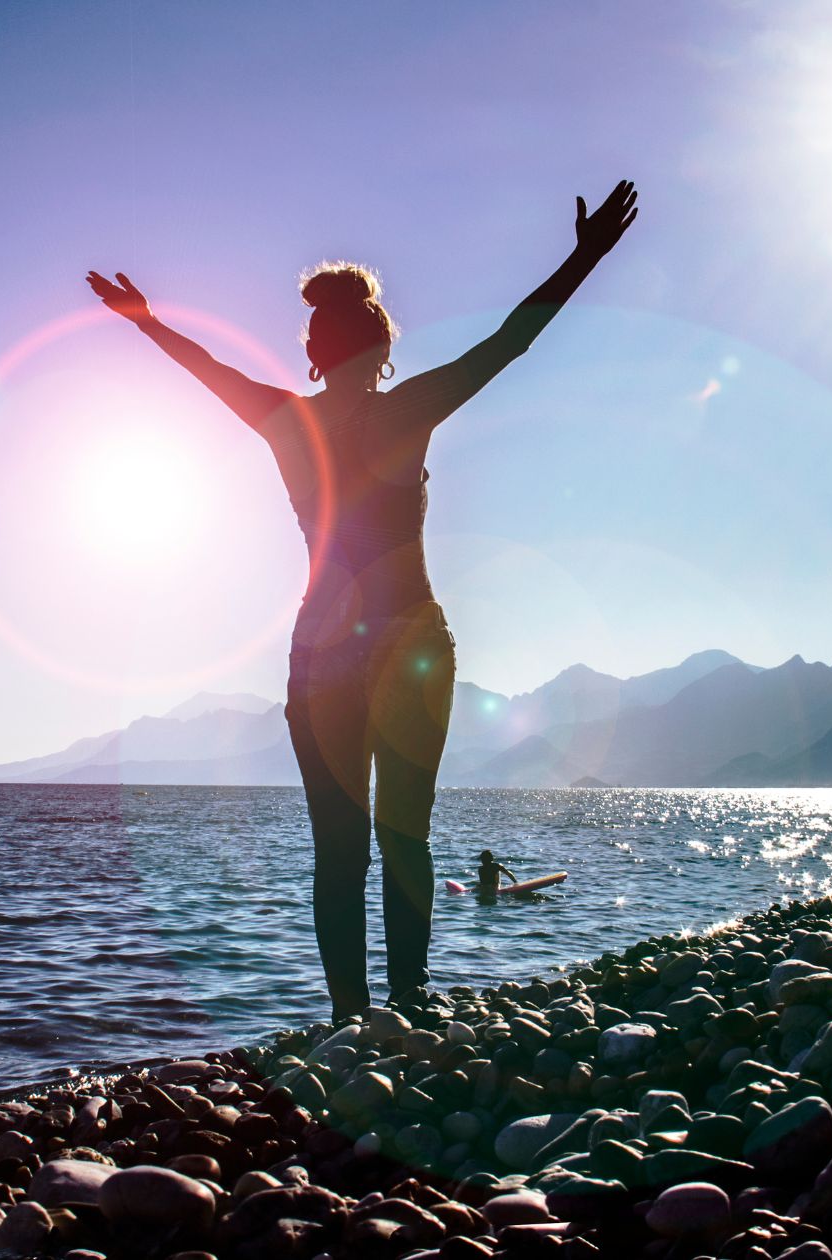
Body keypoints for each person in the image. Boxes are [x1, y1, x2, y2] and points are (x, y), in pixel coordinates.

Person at [89, 182, 639, 1018]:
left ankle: (349, 1022)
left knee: (338, 855)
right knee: (405, 838)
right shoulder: (412, 407)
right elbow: (512, 342)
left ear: (314, 349)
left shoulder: (283, 417)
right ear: (382, 343)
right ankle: (410, 1004)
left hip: (322, 659)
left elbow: (205, 368)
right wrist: (587, 255)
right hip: (412, 643)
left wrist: (145, 321)